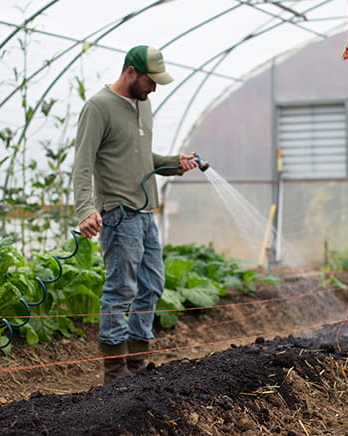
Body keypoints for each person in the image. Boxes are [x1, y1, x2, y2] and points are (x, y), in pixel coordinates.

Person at [71, 45, 198, 383]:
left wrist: (174, 163)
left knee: (152, 284)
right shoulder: (98, 107)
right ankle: (115, 372)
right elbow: (82, 164)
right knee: (120, 289)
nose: (154, 88)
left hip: (145, 214)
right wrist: (85, 209)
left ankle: (137, 367)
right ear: (130, 72)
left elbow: (142, 159)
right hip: (119, 214)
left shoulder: (145, 106)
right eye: (150, 81)